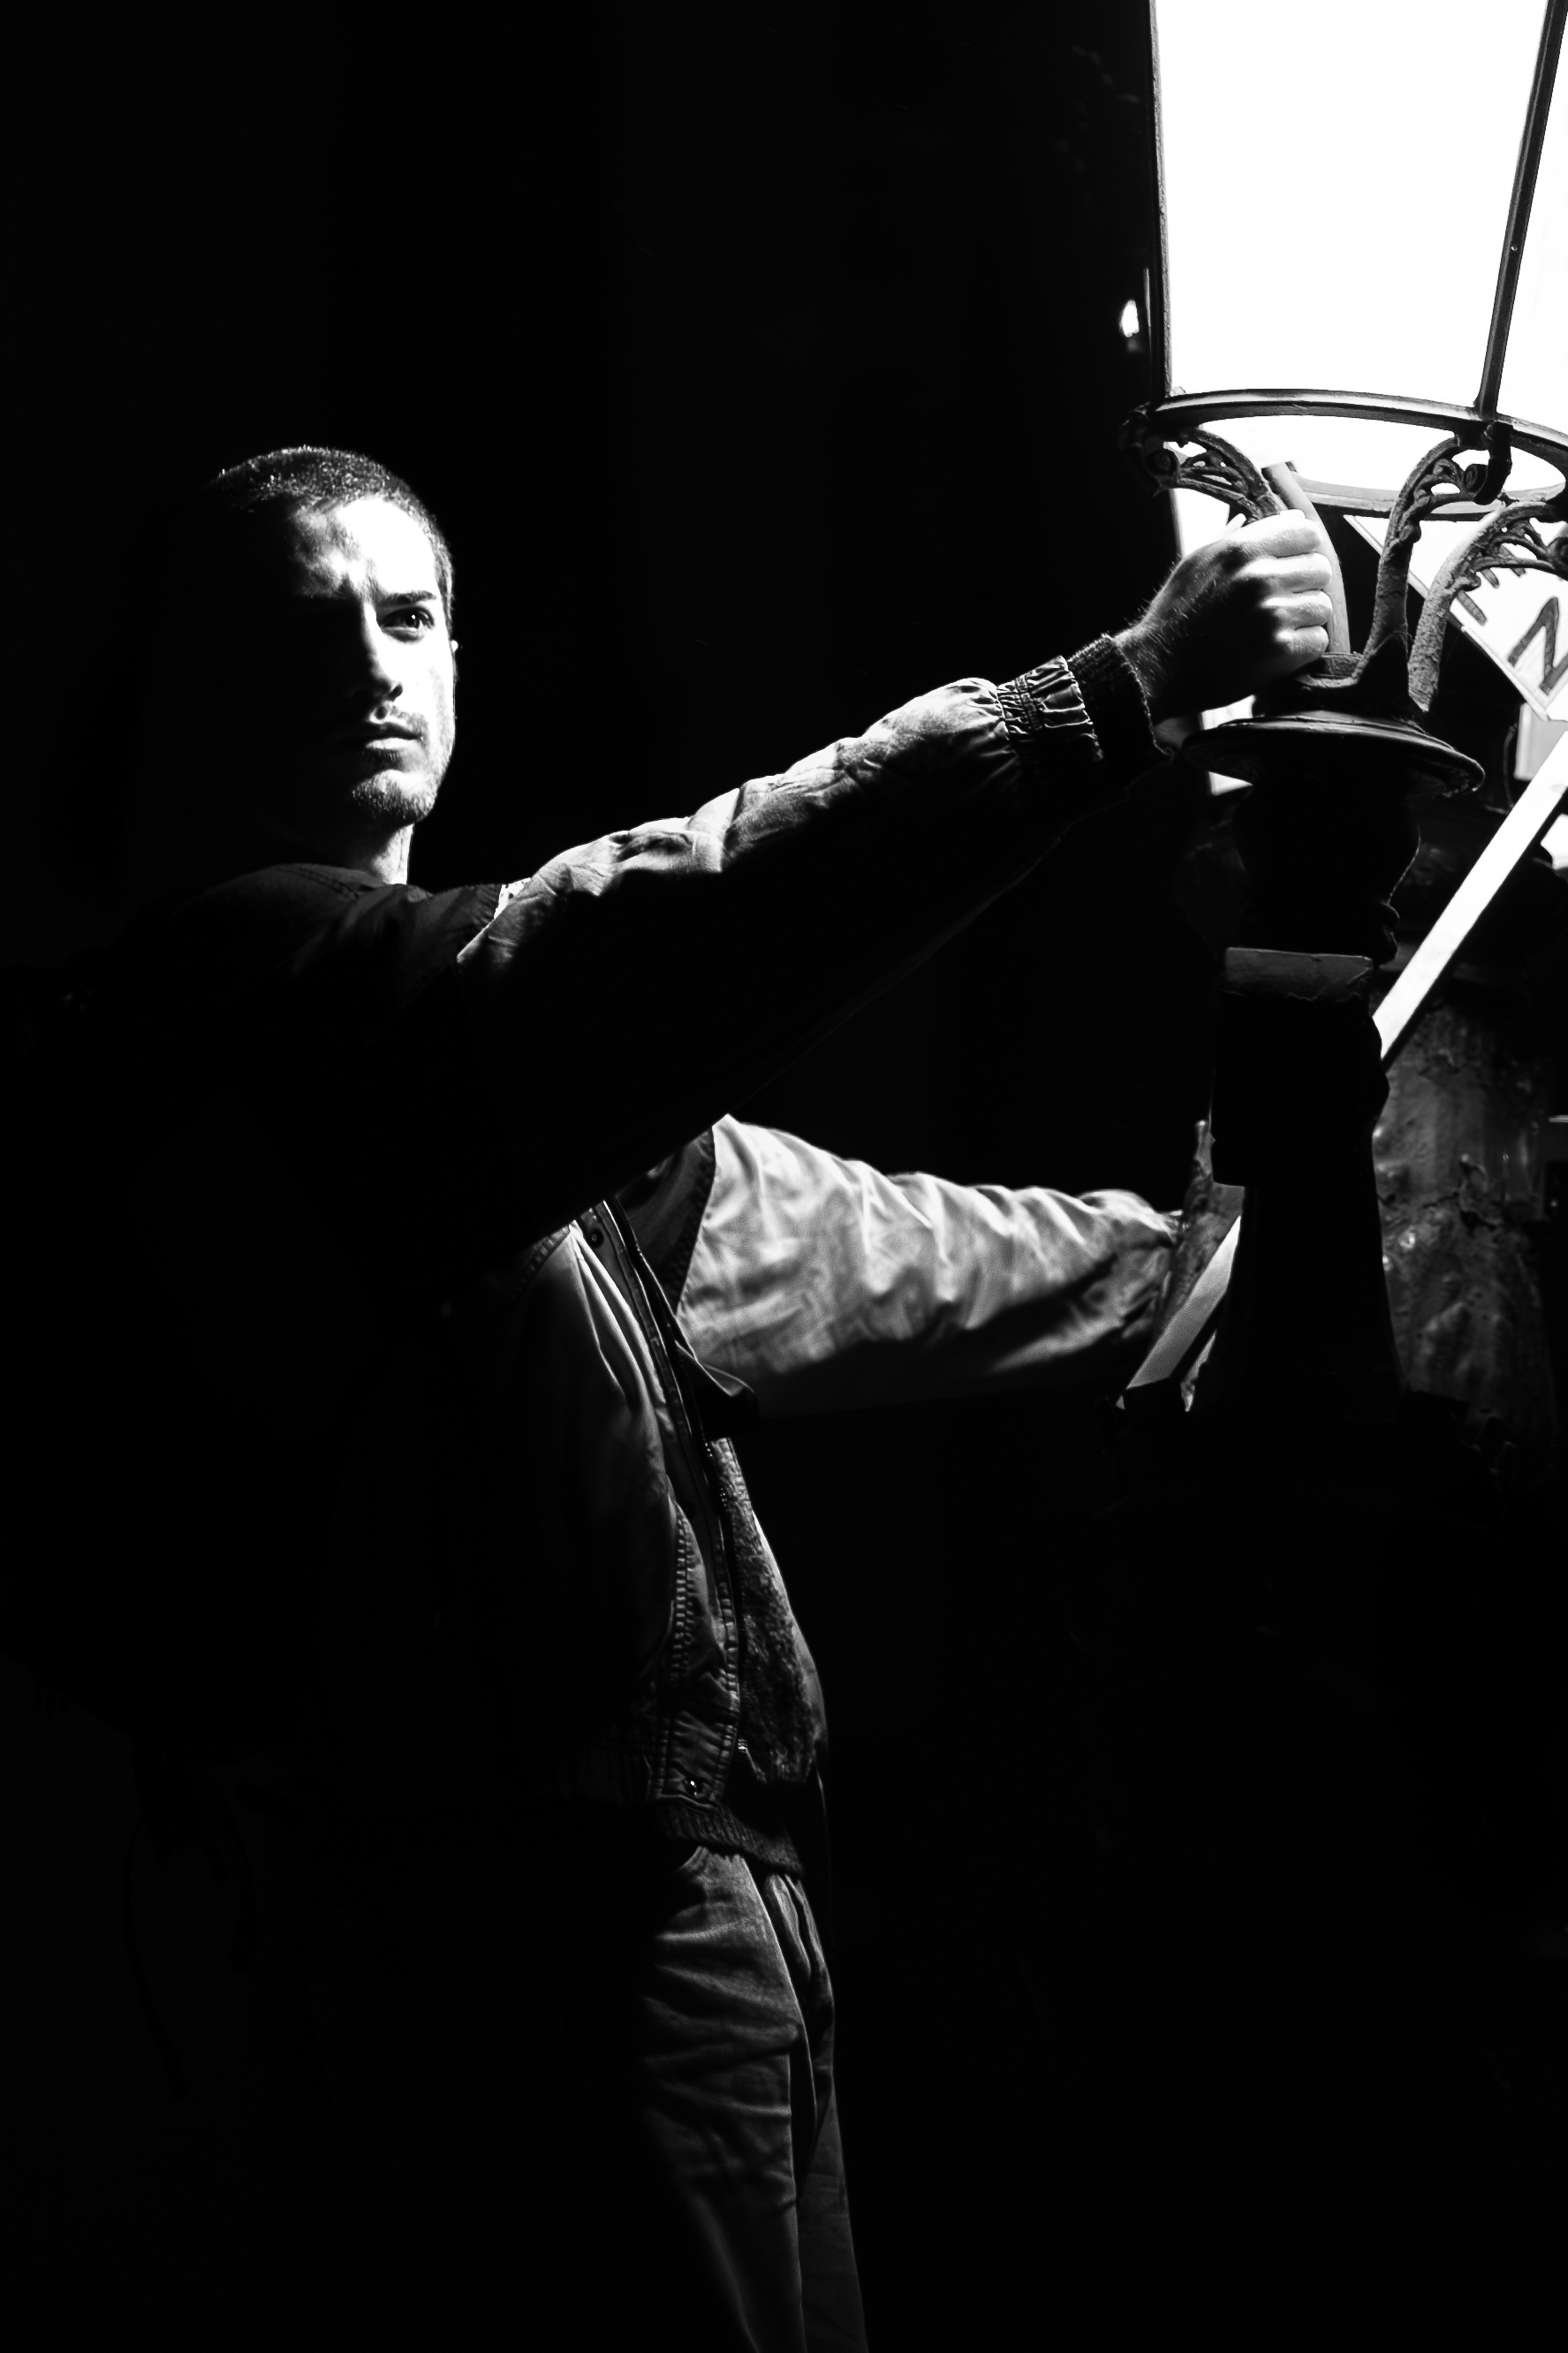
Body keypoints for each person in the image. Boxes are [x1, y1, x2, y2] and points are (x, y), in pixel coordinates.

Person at [8, 446, 1333, 2348]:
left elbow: (854, 1244)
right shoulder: (286, 1012)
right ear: (194, 684)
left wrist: (1200, 1267)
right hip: (539, 1951)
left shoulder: (488, 1105)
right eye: (305, 624)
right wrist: (1111, 697)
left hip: (680, 1930)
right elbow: (695, 923)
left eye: (408, 616)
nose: (372, 661)